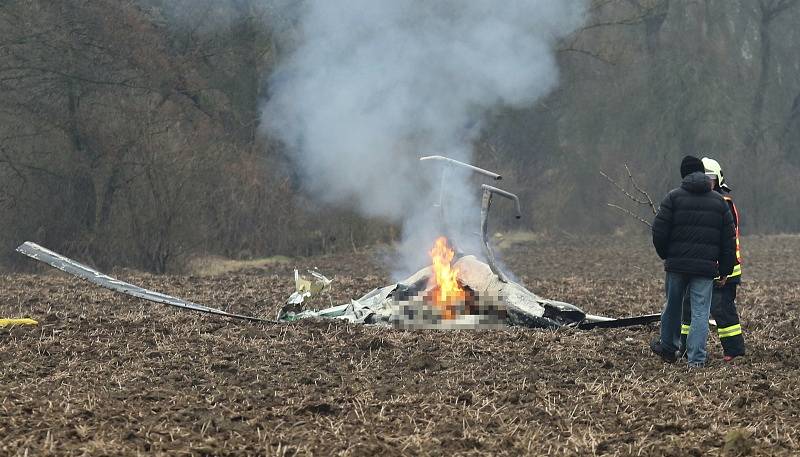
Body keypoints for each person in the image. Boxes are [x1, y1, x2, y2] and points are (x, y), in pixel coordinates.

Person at [650, 155, 737, 368]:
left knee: (673, 306)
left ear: (683, 175)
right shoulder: (719, 202)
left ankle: (669, 348)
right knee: (700, 311)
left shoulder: (673, 198)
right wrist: (725, 270)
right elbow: (728, 239)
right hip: (705, 268)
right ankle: (696, 359)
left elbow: (658, 232)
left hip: (677, 266)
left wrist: (666, 255)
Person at [679, 157, 745, 361]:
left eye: (710, 177)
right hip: (701, 267)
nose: (707, 182)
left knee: (722, 309)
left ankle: (734, 351)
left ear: (718, 180)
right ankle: (683, 349)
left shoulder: (724, 203)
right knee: (688, 309)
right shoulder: (692, 201)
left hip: (725, 268)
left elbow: (727, 239)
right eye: (703, 177)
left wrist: (722, 268)